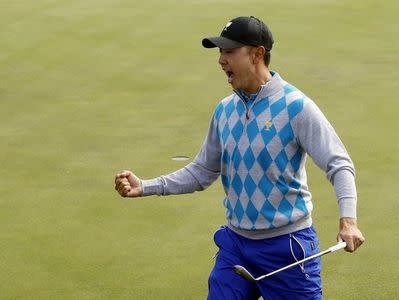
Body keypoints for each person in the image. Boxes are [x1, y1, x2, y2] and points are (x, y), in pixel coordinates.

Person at [115, 16, 365, 299]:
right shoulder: (224, 111)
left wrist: (348, 221)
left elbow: (339, 163)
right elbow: (202, 171)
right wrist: (146, 186)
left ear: (257, 54)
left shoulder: (296, 107)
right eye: (220, 52)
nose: (221, 60)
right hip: (236, 246)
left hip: (288, 249)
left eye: (229, 52)